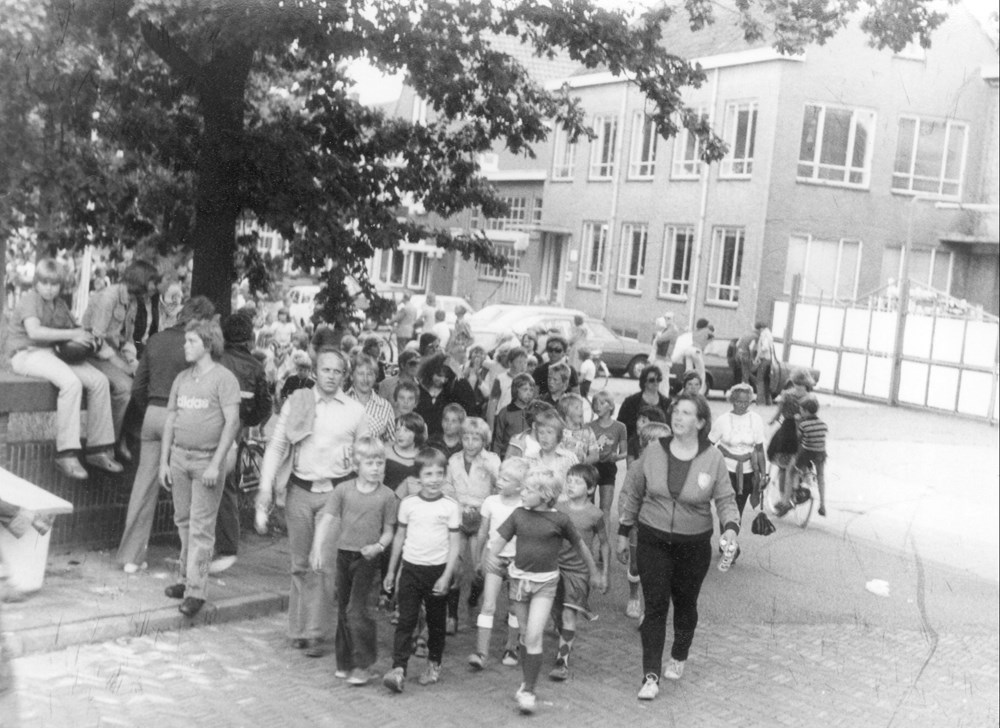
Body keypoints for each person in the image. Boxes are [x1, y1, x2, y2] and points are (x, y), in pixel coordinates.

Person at [616, 392, 740, 701]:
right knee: (655, 606)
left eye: (687, 413)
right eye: (676, 411)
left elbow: (725, 499)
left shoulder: (713, 458)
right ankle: (650, 676)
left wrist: (731, 530)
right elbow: (633, 490)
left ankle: (680, 653)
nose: (678, 417)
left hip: (693, 544)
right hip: (653, 538)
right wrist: (623, 530)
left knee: (685, 604)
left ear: (700, 422)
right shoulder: (655, 452)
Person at [255, 348, 371, 655]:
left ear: (344, 376)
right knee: (300, 563)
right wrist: (265, 488)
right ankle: (297, 628)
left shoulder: (355, 411)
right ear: (315, 372)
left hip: (336, 493)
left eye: (337, 371)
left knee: (323, 563)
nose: (331, 376)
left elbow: (367, 454)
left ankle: (315, 631)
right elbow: (277, 445)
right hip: (299, 492)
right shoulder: (299, 401)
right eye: (325, 370)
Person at [484, 466, 604, 714]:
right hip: (519, 582)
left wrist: (594, 571)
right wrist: (492, 559)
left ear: (546, 494)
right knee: (526, 634)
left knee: (534, 635)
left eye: (528, 490)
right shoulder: (518, 515)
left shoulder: (559, 519)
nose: (523, 493)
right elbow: (497, 543)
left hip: (546, 584)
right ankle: (526, 682)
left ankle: (529, 690)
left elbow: (581, 546)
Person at [116, 296, 216, 572]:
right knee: (190, 488)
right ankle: (189, 561)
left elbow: (138, 387)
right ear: (203, 320)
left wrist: (147, 411)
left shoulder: (157, 339)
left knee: (143, 485)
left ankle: (130, 557)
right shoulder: (199, 346)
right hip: (183, 418)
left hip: (152, 414)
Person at [6, 259, 123, 481]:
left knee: (99, 381)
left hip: (52, 353)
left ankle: (98, 449)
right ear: (36, 283)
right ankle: (66, 453)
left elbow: (74, 328)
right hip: (26, 353)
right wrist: (72, 335)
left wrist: (89, 337)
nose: (49, 288)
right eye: (45, 283)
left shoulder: (59, 304)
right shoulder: (30, 300)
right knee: (71, 383)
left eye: (55, 284)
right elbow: (35, 332)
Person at [158, 318, 242, 618]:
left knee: (202, 529)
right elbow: (171, 418)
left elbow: (232, 423)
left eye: (191, 341)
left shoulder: (224, 379)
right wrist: (165, 460)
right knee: (183, 521)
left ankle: (197, 590)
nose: (185, 346)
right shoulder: (181, 378)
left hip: (207, 460)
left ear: (207, 344)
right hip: (180, 458)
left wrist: (216, 465)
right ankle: (186, 578)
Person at [309, 436, 397, 686]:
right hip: (343, 555)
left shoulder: (387, 496)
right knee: (344, 609)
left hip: (368, 558)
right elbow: (326, 519)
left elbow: (389, 531)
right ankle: (344, 662)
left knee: (357, 610)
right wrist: (317, 548)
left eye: (380, 463)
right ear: (356, 465)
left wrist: (378, 546)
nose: (376, 468)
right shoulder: (343, 490)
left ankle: (363, 665)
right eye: (370, 462)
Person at [382, 447, 462, 693]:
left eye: (440, 473)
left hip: (437, 572)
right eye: (428, 474)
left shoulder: (450, 506)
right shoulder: (408, 504)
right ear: (417, 478)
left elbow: (455, 544)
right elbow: (399, 538)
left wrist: (447, 576)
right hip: (411, 570)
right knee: (405, 620)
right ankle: (398, 669)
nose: (435, 479)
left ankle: (433, 663)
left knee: (436, 623)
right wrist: (391, 572)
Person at [214, 310, 273, 574]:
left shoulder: (215, 358)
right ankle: (227, 546)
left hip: (207, 423)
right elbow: (264, 408)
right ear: (249, 338)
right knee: (227, 487)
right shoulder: (256, 367)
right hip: (235, 428)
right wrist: (245, 422)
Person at [83, 259, 162, 438]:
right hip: (92, 353)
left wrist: (133, 361)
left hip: (111, 352)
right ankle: (108, 442)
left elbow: (125, 339)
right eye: (152, 282)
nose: (155, 287)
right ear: (140, 279)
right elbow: (97, 340)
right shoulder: (109, 297)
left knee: (144, 382)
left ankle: (127, 437)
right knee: (125, 387)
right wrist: (122, 366)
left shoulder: (132, 301)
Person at [468, 456, 529, 671]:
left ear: (520, 486)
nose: (500, 481)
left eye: (506, 479)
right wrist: (478, 558)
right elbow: (483, 532)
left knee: (514, 606)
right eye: (500, 476)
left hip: (517, 562)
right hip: (494, 559)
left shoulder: (525, 506)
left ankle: (511, 646)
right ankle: (481, 651)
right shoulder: (490, 502)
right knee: (488, 604)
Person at [550, 463, 610, 681]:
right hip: (555, 567)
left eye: (577, 481)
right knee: (556, 612)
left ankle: (561, 660)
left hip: (580, 571)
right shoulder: (558, 508)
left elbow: (604, 543)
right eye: (569, 480)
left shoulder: (595, 514)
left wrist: (604, 574)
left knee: (568, 613)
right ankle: (564, 637)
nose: (571, 485)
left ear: (591, 489)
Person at [443, 417, 500, 627]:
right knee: (455, 567)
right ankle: (452, 616)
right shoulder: (454, 460)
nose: (470, 443)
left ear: (484, 440)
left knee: (480, 568)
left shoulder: (492, 459)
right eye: (466, 438)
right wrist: (457, 507)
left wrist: (492, 473)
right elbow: (447, 487)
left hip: (482, 518)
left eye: (476, 439)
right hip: (459, 516)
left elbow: (499, 488)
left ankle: (473, 597)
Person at [709, 384, 766, 558]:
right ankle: (728, 544)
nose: (742, 405)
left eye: (746, 402)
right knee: (727, 507)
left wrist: (764, 474)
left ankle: (728, 539)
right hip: (726, 470)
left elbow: (759, 448)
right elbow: (710, 444)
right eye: (738, 401)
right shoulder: (722, 420)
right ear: (732, 400)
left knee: (738, 509)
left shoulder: (756, 419)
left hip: (748, 472)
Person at [777, 393, 828, 517]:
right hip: (820, 453)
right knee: (821, 476)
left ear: (805, 411)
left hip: (806, 453)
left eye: (801, 409)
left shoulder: (804, 425)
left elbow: (798, 440)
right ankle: (822, 505)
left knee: (790, 471)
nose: (800, 411)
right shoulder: (823, 425)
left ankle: (785, 503)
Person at [589, 390, 627, 544]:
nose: (598, 406)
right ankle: (588, 544)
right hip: (591, 467)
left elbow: (624, 452)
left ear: (611, 406)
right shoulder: (588, 426)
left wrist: (616, 457)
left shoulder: (619, 427)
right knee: (588, 507)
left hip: (608, 468)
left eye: (602, 403)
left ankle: (604, 545)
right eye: (595, 403)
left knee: (605, 508)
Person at [414, 353, 477, 438]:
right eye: (439, 376)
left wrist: (458, 372)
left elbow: (470, 403)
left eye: (446, 377)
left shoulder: (451, 393)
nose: (442, 380)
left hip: (443, 441)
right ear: (430, 371)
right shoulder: (419, 390)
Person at [348, 354, 396, 443]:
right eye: (360, 374)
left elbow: (391, 442)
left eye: (370, 374)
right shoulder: (342, 402)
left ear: (375, 377)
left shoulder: (385, 407)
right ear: (351, 376)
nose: (365, 379)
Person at [616, 364, 671, 442]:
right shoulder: (630, 402)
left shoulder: (667, 403)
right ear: (644, 382)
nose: (656, 382)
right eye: (652, 380)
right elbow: (621, 427)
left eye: (658, 379)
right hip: (634, 444)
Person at [525, 408, 578, 487]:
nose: (544, 437)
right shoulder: (529, 459)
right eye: (541, 432)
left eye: (549, 432)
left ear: (558, 435)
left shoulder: (569, 458)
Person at [492, 373, 535, 458]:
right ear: (516, 390)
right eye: (525, 390)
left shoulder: (534, 412)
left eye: (531, 390)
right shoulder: (505, 412)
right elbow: (497, 441)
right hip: (508, 457)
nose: (529, 393)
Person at [486, 346, 528, 429]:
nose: (523, 366)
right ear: (510, 363)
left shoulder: (528, 381)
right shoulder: (500, 379)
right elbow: (492, 405)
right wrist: (490, 428)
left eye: (525, 362)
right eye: (519, 362)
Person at [385, 412, 426, 494]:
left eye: (406, 430)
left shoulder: (423, 457)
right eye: (397, 429)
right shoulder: (386, 451)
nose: (400, 434)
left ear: (417, 433)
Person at [558, 394, 598, 465]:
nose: (581, 410)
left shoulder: (587, 431)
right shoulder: (558, 430)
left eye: (581, 407)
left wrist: (583, 463)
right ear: (566, 412)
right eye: (577, 408)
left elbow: (595, 455)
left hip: (579, 471)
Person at [753, 322, 775, 406]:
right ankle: (768, 401)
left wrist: (757, 357)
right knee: (765, 380)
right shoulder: (768, 334)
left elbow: (764, 347)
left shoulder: (765, 334)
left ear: (761, 328)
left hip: (765, 359)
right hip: (768, 359)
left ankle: (760, 401)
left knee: (759, 379)